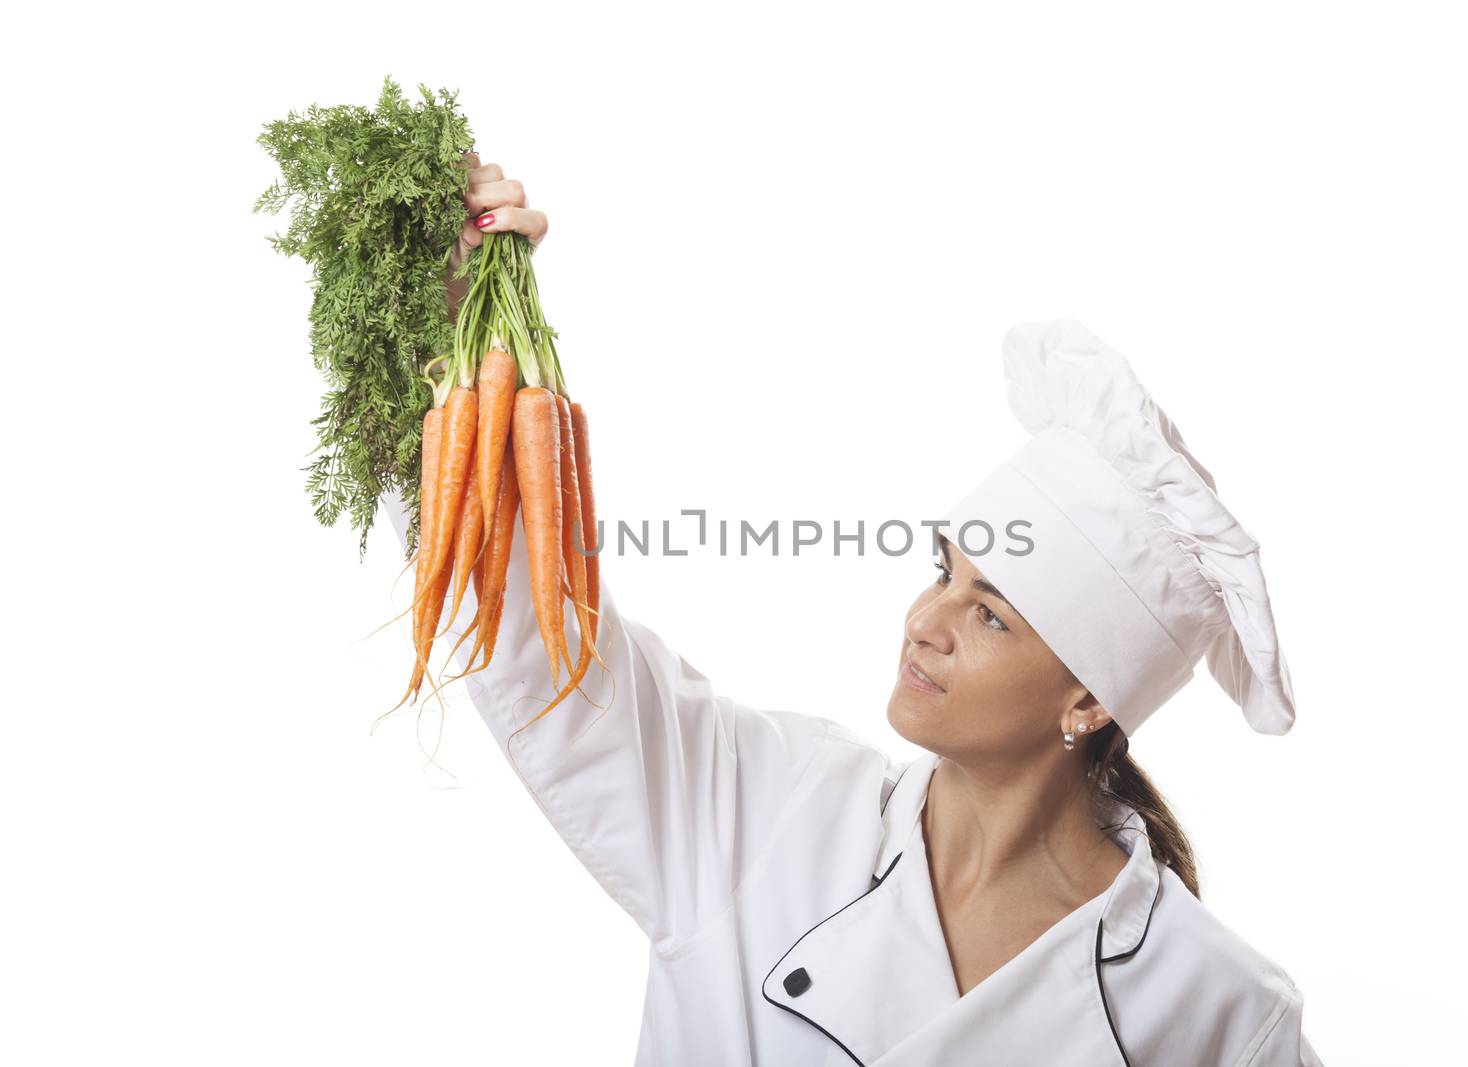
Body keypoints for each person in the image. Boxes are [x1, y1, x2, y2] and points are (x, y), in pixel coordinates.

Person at [382, 157, 1324, 1066]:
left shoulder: (1221, 1012)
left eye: (991, 613)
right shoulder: (778, 807)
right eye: (944, 571)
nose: (926, 620)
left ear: (1088, 699)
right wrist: (458, 328)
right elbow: (545, 645)